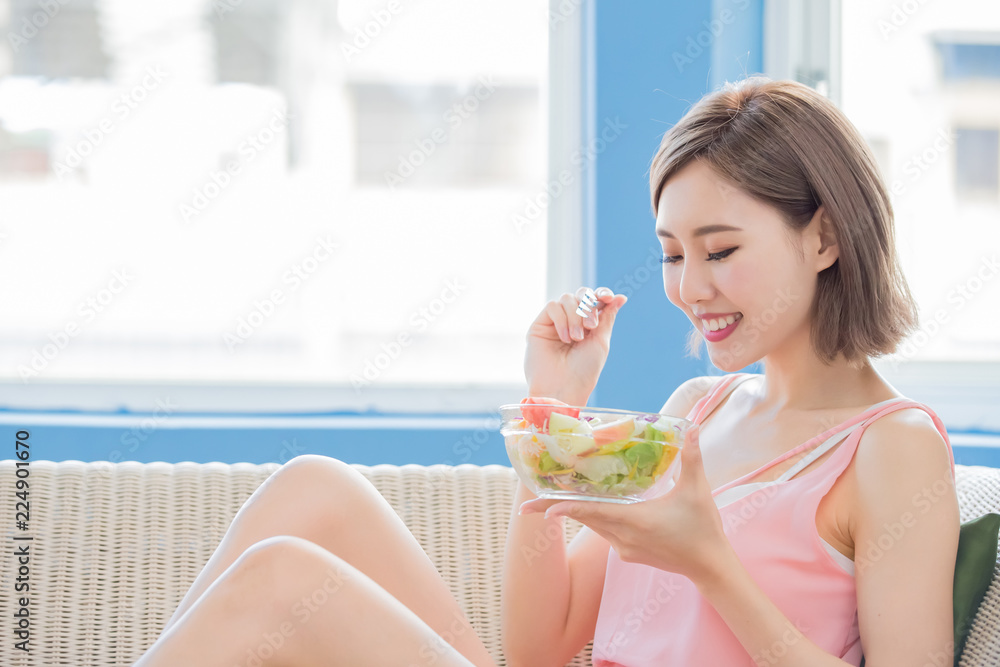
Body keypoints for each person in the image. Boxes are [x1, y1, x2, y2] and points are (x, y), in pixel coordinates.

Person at [132, 76, 958, 666]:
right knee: (312, 488)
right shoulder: (699, 410)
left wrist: (710, 561)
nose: (690, 286)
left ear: (824, 238)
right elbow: (539, 647)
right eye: (672, 253)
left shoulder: (894, 447)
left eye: (722, 250)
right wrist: (547, 417)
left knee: (283, 580)